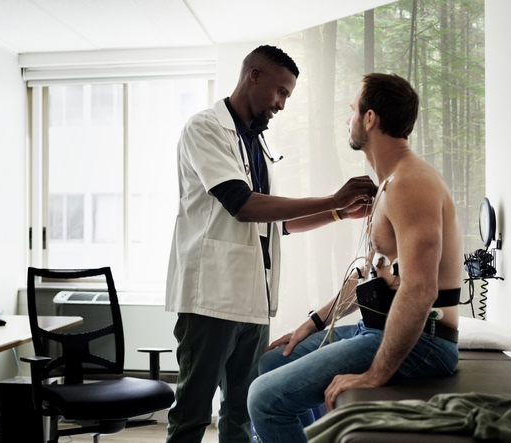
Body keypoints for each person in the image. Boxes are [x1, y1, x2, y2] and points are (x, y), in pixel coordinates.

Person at [164, 45, 378, 443]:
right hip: (210, 297)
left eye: (288, 96)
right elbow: (242, 206)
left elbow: (274, 224)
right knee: (192, 414)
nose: (281, 105)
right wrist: (332, 198)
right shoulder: (205, 129)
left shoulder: (256, 144)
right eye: (280, 92)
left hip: (253, 302)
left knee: (241, 414)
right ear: (254, 76)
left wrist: (338, 214)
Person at [247, 72, 464, 443]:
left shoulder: (412, 183)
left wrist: (374, 375)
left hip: (425, 344)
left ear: (369, 119)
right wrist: (313, 323)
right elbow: (369, 276)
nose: (348, 120)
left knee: (264, 400)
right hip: (378, 328)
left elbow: (420, 289)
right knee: (273, 360)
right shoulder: (389, 184)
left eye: (352, 111)